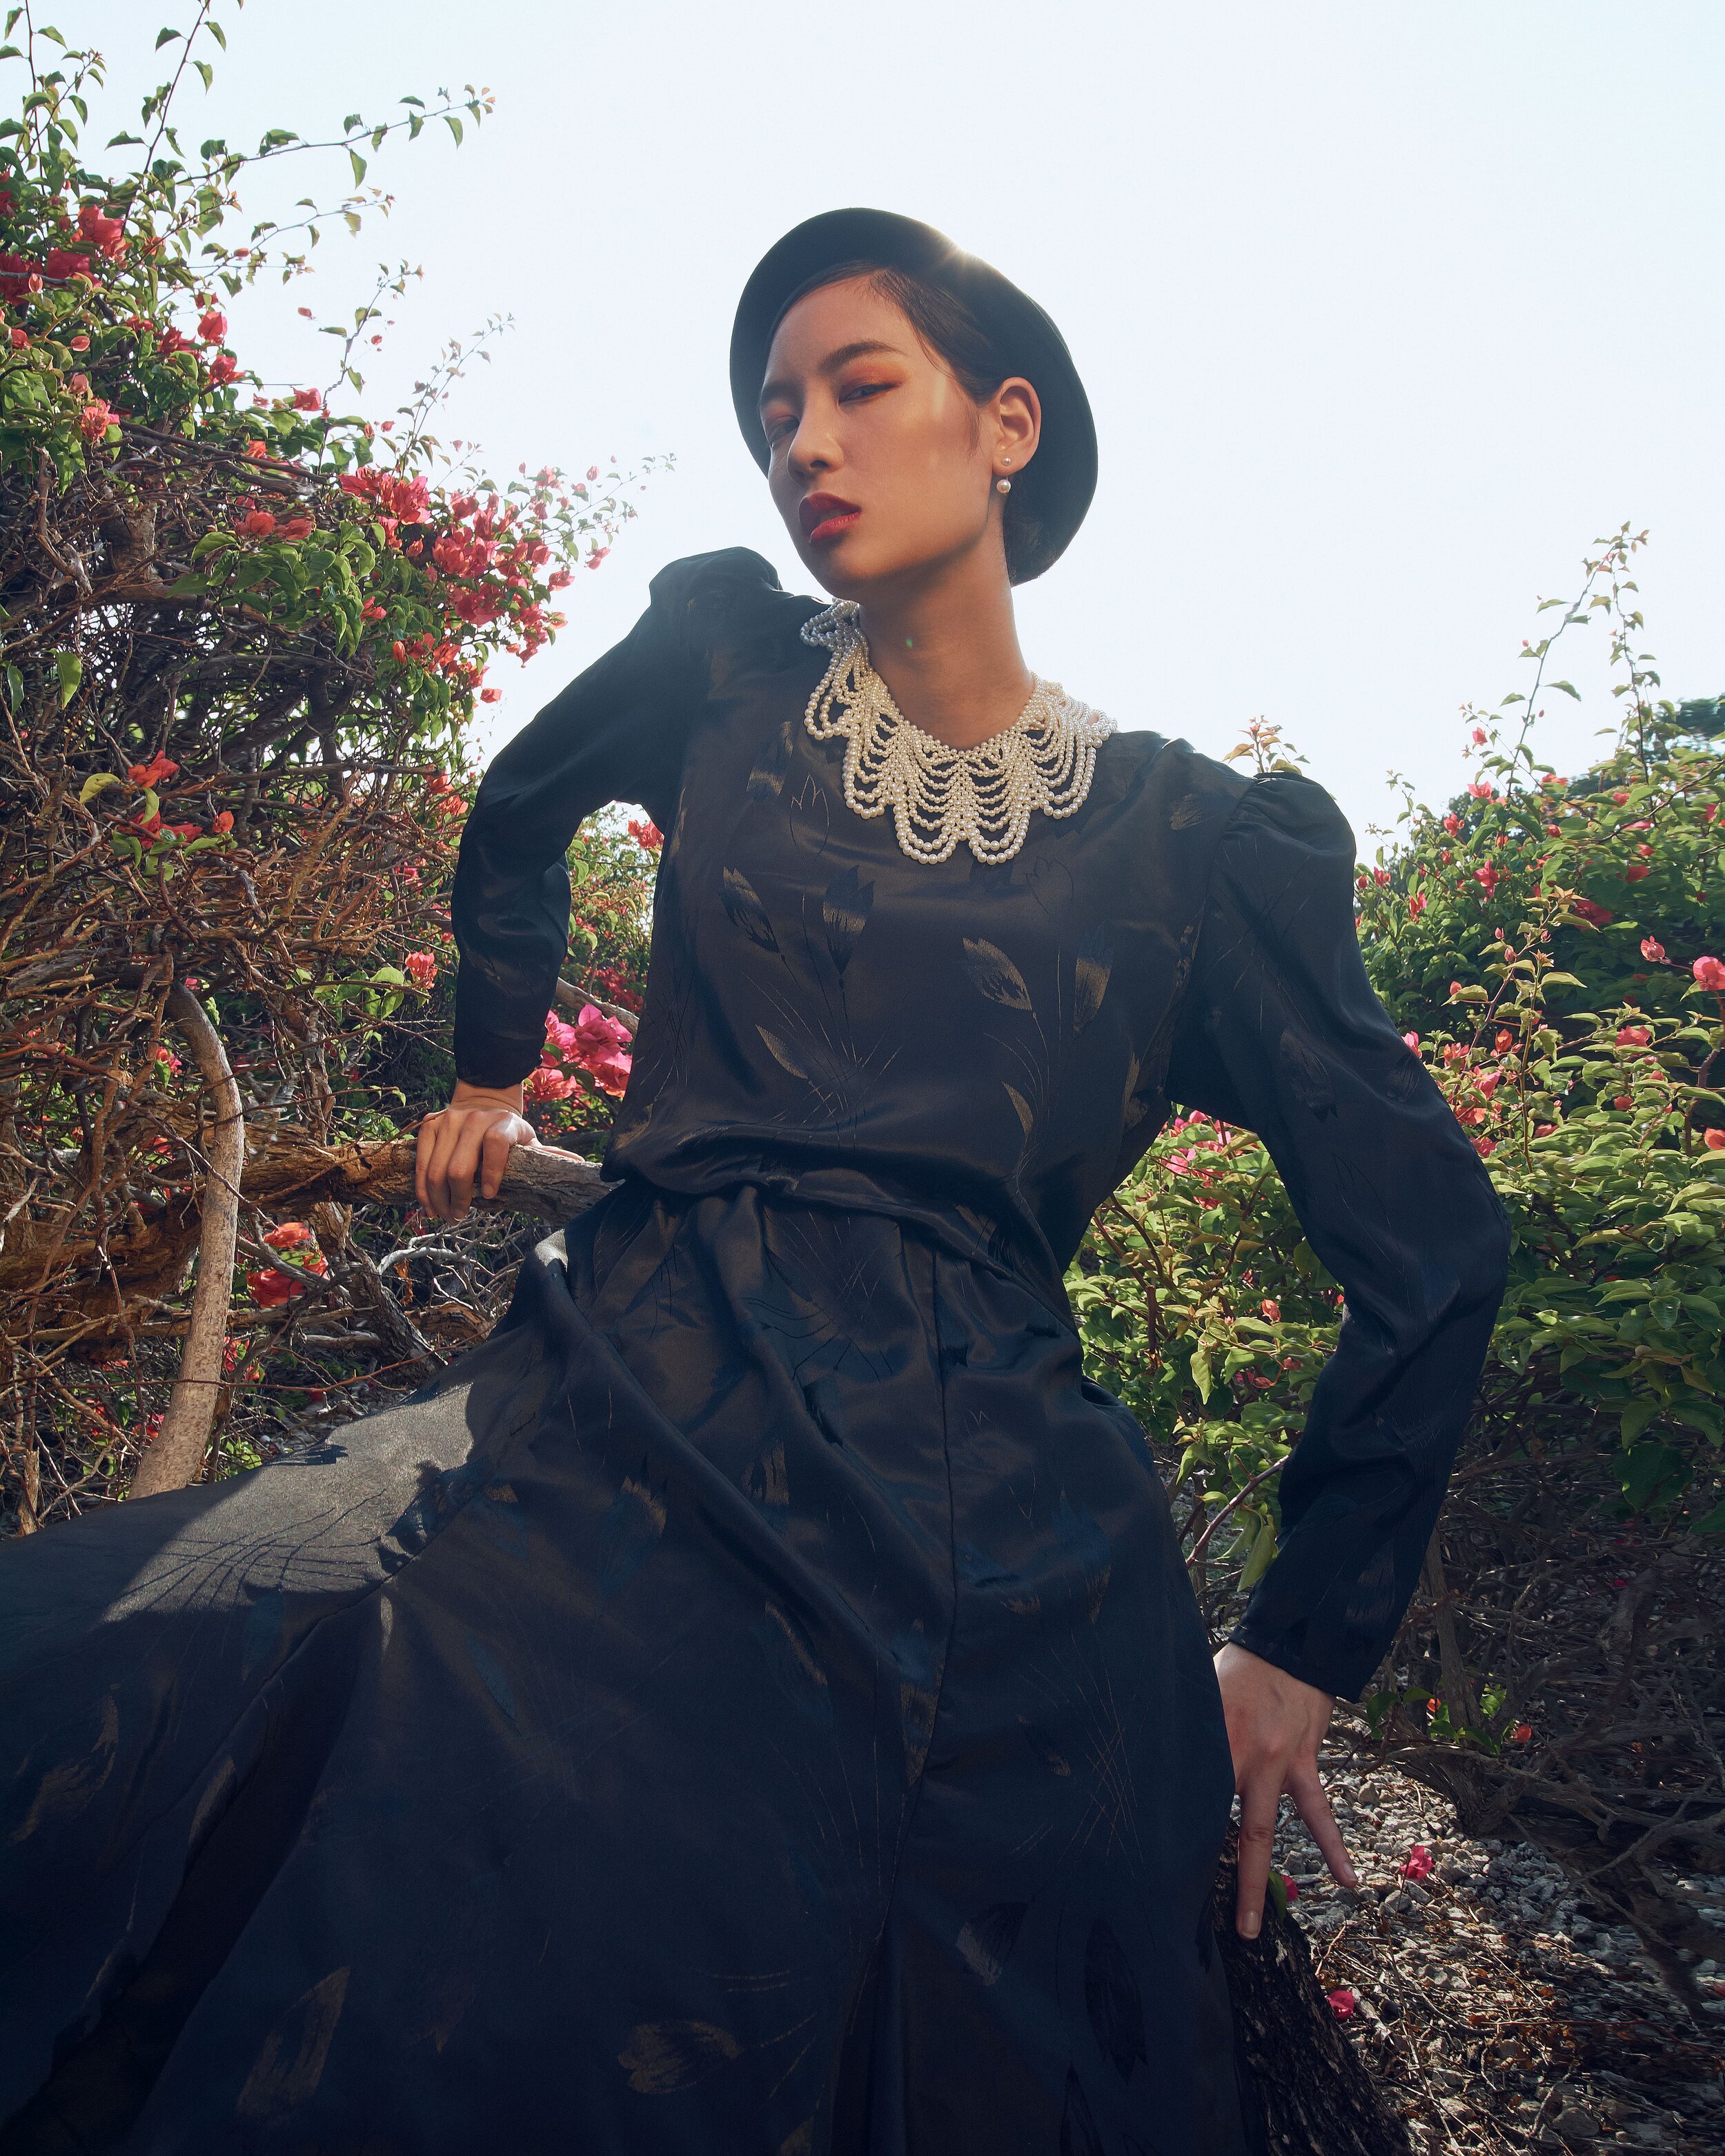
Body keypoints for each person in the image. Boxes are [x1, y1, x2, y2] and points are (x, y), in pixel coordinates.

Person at [0, 210, 1508, 2154]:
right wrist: (491, 1065)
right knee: (145, 1670)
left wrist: (1302, 1637)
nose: (804, 441)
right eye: (774, 412)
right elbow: (518, 805)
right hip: (627, 1385)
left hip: (997, 1527)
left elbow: (1433, 1242)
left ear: (1007, 424)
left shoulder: (1199, 850)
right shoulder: (720, 663)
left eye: (860, 385)